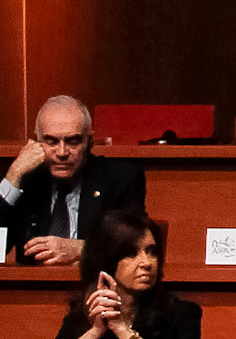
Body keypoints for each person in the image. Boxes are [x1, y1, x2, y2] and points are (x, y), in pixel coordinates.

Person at [43, 209, 199, 339]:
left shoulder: (181, 315)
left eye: (152, 252)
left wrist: (122, 329)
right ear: (108, 260)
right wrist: (95, 332)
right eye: (131, 254)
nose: (146, 263)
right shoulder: (85, 315)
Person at [7, 95, 145, 268]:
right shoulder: (26, 180)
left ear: (89, 142)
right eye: (51, 142)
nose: (62, 152)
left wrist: (82, 249)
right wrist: (12, 177)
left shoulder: (120, 179)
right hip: (33, 291)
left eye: (73, 142)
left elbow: (138, 244)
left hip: (97, 289)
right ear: (36, 142)